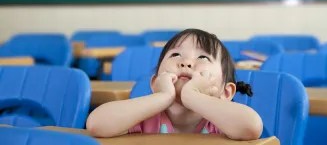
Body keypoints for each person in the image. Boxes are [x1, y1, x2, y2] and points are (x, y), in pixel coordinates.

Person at [86, 28, 263, 140]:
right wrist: (162, 97)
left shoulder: (221, 121)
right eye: (175, 55)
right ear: (156, 82)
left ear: (226, 92)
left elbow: (251, 126)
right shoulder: (143, 118)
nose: (185, 63)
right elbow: (96, 124)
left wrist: (192, 96)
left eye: (203, 57)